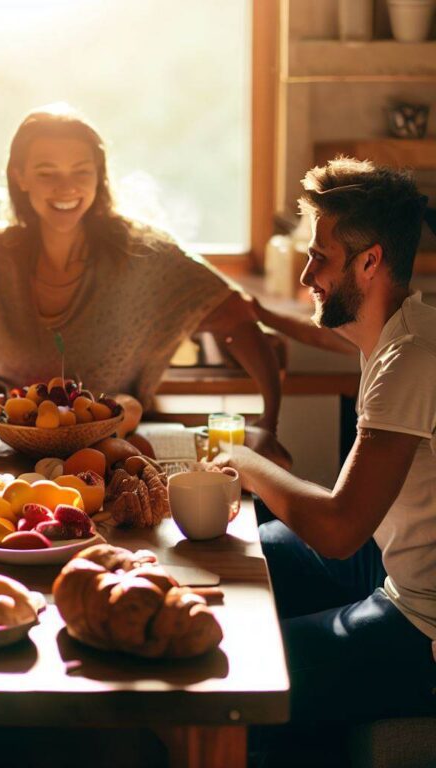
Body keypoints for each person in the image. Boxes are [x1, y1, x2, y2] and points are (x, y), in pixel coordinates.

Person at [0, 104, 287, 456]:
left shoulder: (142, 254)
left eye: (81, 171)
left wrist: (269, 423)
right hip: (2, 458)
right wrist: (1, 406)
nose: (66, 187)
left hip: (110, 460)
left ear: (99, 175)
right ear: (19, 176)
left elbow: (236, 316)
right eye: (46, 173)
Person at [211, 157, 436, 725]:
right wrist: (262, 314)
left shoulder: (409, 362)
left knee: (240, 664)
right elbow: (346, 342)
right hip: (390, 563)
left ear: (369, 262)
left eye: (319, 258)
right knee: (249, 550)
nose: (308, 275)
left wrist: (247, 461)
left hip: (422, 620)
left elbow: (337, 530)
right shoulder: (405, 324)